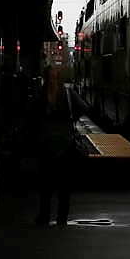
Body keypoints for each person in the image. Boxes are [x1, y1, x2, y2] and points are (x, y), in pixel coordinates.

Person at [32, 81, 88, 228]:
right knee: (64, 184)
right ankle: (62, 218)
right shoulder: (68, 92)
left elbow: (30, 114)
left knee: (45, 183)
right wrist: (70, 120)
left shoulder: (40, 93)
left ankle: (44, 216)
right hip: (65, 142)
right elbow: (83, 107)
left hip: (45, 142)